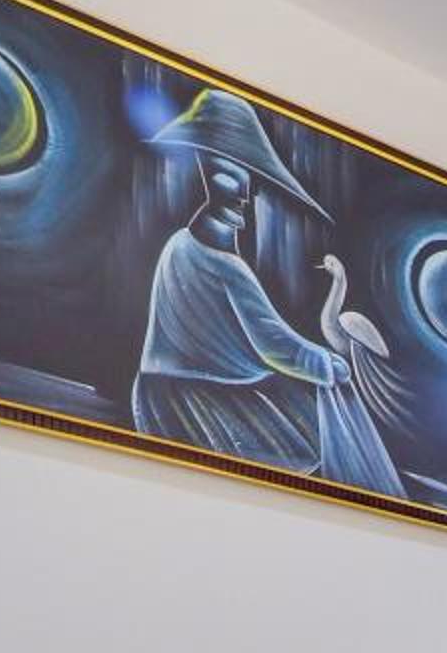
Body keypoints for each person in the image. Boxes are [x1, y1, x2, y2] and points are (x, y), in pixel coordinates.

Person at [130, 89, 347, 466]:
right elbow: (274, 343)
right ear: (206, 174)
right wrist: (326, 365)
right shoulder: (222, 266)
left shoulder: (179, 245)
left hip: (162, 396)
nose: (245, 196)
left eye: (249, 183)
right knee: (311, 444)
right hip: (199, 405)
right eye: (230, 178)